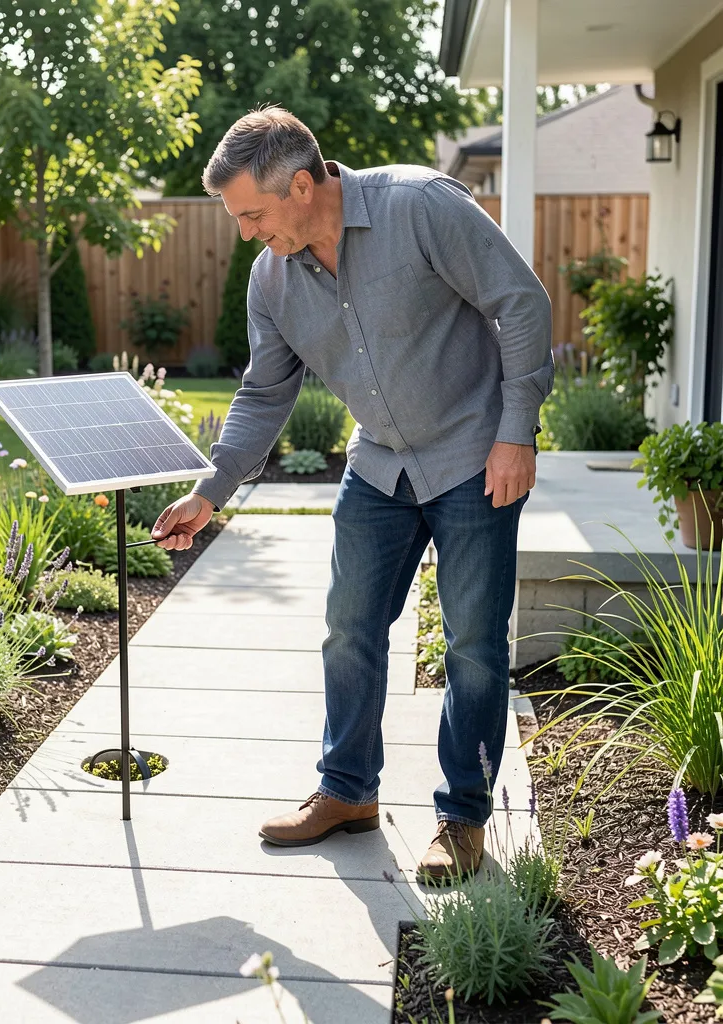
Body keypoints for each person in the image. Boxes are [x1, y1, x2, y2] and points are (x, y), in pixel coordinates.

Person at [151, 107, 553, 884]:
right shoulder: (272, 278)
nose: (245, 234)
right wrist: (212, 490)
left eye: (253, 215)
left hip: (475, 455)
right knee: (349, 628)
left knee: (472, 645)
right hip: (379, 468)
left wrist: (516, 433)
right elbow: (264, 394)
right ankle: (347, 793)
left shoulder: (423, 206)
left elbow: (520, 303)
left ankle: (463, 816)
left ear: (302, 185)